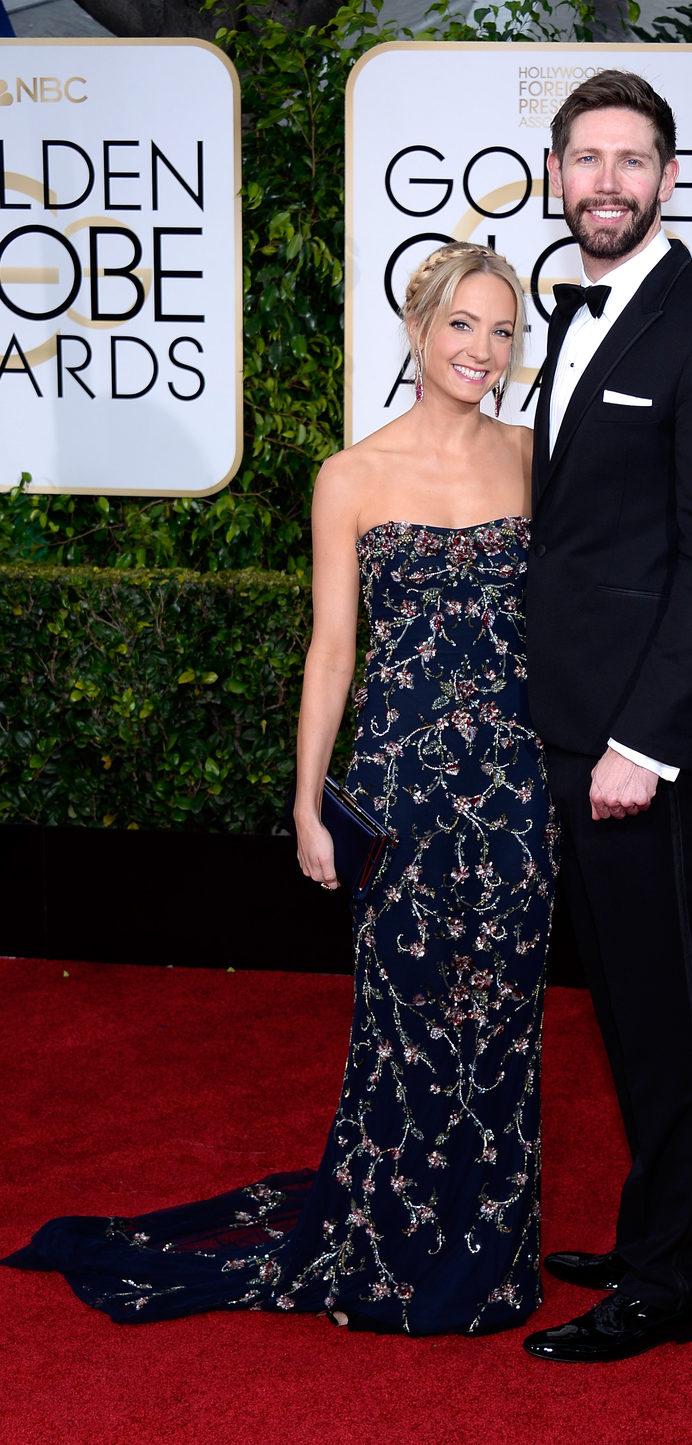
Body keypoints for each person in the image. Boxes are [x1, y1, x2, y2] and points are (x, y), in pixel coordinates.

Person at [2, 243, 557, 1336]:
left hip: (515, 786)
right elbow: (331, 651)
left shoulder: (538, 459)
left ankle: (490, 1251)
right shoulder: (351, 475)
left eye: (502, 332)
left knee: (502, 1020)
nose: (481, 352)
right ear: (416, 326)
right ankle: (394, 1244)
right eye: (462, 326)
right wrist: (309, 802)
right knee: (401, 1020)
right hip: (399, 789)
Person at [521, 71, 692, 1364]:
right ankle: (650, 1231)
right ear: (558, 172)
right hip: (572, 725)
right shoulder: (571, 310)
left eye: (634, 161)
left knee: (670, 1009)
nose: (609, 182)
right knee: (623, 1003)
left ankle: (676, 1280)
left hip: (642, 746)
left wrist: (645, 743)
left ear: (671, 180)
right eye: (589, 158)